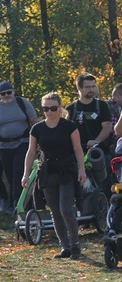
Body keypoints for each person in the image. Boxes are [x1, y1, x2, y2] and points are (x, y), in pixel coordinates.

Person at [22, 93, 87, 260]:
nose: (49, 112)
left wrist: (82, 169)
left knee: (66, 208)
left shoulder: (69, 126)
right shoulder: (37, 129)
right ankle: (65, 246)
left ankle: (75, 245)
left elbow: (77, 148)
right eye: (45, 109)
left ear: (59, 108)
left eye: (53, 108)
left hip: (66, 170)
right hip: (47, 171)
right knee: (55, 211)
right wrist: (26, 174)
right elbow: (31, 152)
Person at [0, 81, 39, 213]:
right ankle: (8, 202)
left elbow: (33, 119)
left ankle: (18, 206)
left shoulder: (22, 103)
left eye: (8, 92)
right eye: (3, 94)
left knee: (18, 173)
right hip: (4, 146)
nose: (6, 95)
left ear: (13, 92)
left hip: (22, 143)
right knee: (9, 175)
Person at [66, 73, 113, 155]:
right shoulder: (71, 108)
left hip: (99, 152)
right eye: (88, 87)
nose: (91, 89)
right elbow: (66, 131)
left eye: (93, 86)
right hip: (77, 153)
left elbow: (107, 127)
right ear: (79, 88)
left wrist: (96, 141)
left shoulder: (102, 105)